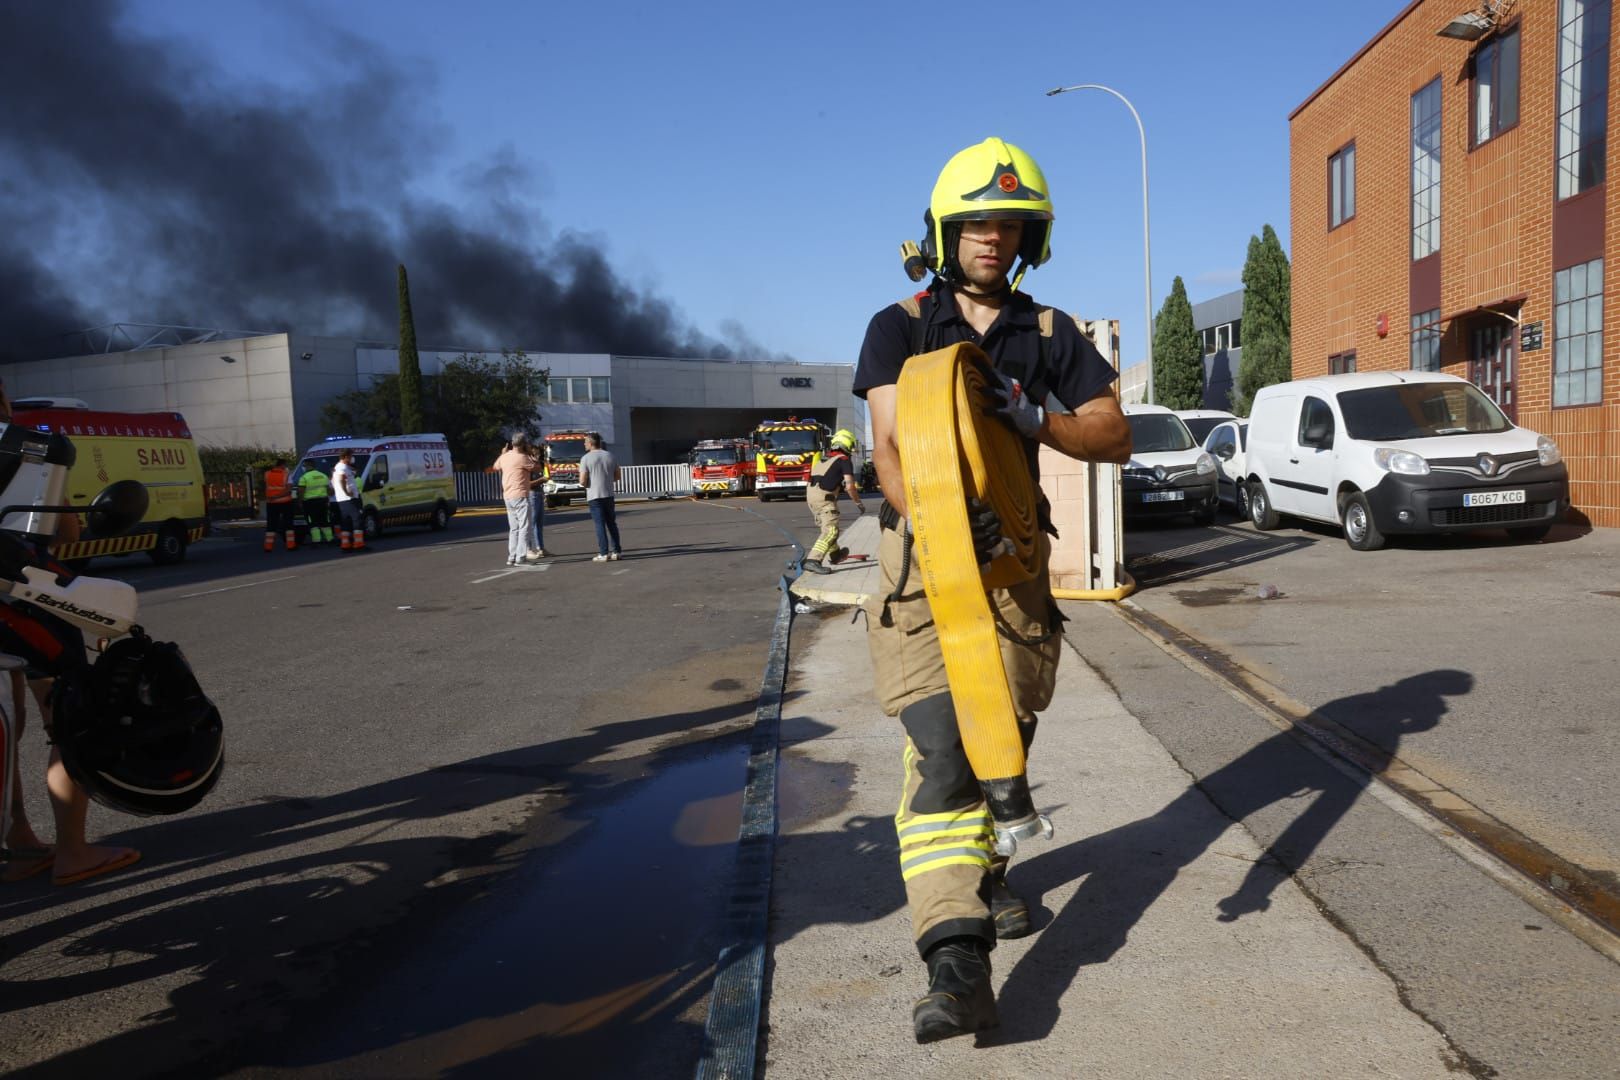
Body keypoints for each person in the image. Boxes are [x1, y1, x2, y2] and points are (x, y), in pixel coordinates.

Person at [854, 136, 1131, 1043]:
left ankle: (991, 869)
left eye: (1009, 225)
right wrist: (938, 518)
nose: (992, 238)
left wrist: (1038, 419)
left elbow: (1110, 431)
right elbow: (892, 451)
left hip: (1014, 585)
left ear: (1028, 240)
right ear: (946, 231)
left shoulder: (1049, 334)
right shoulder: (899, 326)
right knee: (942, 754)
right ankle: (956, 961)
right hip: (923, 583)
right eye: (976, 222)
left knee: (999, 746)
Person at [0, 380, 140, 885]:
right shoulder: (32, 448)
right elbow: (64, 534)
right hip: (24, 603)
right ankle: (71, 852)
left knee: (6, 729)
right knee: (65, 718)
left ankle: (19, 842)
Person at [800, 428, 865, 574]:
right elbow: (850, 486)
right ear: (847, 445)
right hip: (825, 498)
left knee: (827, 529)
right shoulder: (843, 460)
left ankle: (835, 555)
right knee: (831, 530)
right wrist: (858, 503)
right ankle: (813, 560)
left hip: (812, 498)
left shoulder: (823, 459)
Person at [489, 435, 544, 567]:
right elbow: (538, 468)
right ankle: (520, 557)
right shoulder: (523, 458)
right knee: (524, 527)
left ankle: (511, 557)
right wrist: (530, 454)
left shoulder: (505, 456)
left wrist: (503, 454)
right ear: (524, 444)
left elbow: (495, 467)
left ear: (512, 444)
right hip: (520, 495)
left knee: (514, 528)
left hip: (508, 496)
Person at [578, 434, 621, 562]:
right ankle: (617, 551)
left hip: (594, 495)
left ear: (591, 443)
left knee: (599, 525)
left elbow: (582, 480)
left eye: (585, 442)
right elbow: (618, 476)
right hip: (608, 494)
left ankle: (603, 553)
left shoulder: (585, 458)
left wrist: (585, 484)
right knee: (612, 523)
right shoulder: (610, 455)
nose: (584, 444)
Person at [331, 447, 366, 552]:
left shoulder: (341, 467)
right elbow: (341, 479)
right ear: (346, 456)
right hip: (348, 498)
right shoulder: (342, 467)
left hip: (343, 499)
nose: (352, 458)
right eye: (351, 456)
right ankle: (358, 544)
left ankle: (345, 545)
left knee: (346, 521)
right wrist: (347, 492)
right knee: (357, 519)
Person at [262, 455, 297, 552]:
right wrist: (278, 496)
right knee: (288, 524)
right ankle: (291, 545)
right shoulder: (286, 474)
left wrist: (272, 497)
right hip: (285, 502)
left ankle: (268, 547)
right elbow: (289, 490)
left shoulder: (267, 474)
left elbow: (267, 486)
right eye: (285, 465)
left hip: (271, 503)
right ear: (282, 465)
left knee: (271, 525)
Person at [297, 460, 334, 545]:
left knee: (313, 522)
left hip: (310, 503)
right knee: (324, 521)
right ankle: (330, 539)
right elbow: (330, 491)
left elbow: (300, 492)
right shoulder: (323, 476)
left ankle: (316, 541)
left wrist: (300, 502)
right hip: (323, 502)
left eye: (304, 466)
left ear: (306, 466)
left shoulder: (304, 477)